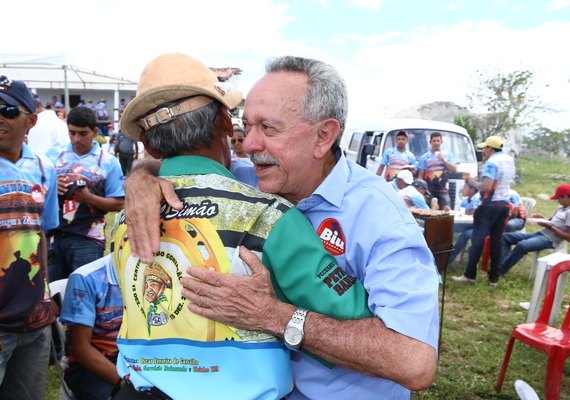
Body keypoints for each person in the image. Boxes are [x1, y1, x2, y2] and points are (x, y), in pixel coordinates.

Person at [125, 55, 439, 399]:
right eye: (246, 126)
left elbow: (414, 362)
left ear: (324, 135)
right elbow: (180, 156)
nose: (249, 144)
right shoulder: (246, 179)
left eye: (269, 128)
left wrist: (275, 316)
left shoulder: (380, 218)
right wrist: (142, 177)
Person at [0, 76, 59, 399]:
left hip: (34, 321)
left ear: (31, 120)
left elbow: (43, 236)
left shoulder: (43, 167)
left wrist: (45, 300)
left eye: (8, 110)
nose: (0, 117)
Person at [45, 106, 124, 282]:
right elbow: (35, 190)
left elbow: (120, 203)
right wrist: (51, 186)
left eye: (83, 133)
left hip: (87, 240)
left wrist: (89, 198)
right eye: (72, 133)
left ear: (95, 132)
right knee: (51, 296)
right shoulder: (52, 156)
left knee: (83, 295)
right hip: (52, 237)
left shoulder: (108, 162)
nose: (76, 139)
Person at [453, 136, 515, 286]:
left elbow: (486, 186)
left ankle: (470, 276)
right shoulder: (508, 159)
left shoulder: (492, 163)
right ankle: (494, 278)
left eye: (484, 149)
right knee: (496, 241)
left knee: (477, 241)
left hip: (489, 205)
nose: (483, 152)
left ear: (491, 149)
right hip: (504, 205)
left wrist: (473, 182)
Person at [59, 254, 123, 400]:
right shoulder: (86, 278)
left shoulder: (157, 272)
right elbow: (80, 349)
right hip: (93, 366)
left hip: (137, 362)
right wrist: (125, 382)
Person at [499, 184, 570, 276]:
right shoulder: (560, 208)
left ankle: (499, 271)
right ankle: (502, 266)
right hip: (541, 234)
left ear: (566, 197)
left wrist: (550, 226)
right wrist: (542, 218)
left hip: (550, 240)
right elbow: (552, 221)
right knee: (505, 237)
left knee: (522, 245)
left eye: (559, 198)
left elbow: (568, 237)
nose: (558, 200)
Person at [417, 132, 458, 209]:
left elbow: (454, 169)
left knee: (446, 211)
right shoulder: (424, 157)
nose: (436, 143)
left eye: (438, 141)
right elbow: (420, 176)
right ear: (430, 142)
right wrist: (421, 191)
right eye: (434, 141)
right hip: (429, 190)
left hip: (443, 190)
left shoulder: (448, 155)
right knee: (431, 212)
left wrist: (444, 160)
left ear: (441, 142)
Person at [447, 181, 480, 265]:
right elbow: (461, 213)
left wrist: (462, 213)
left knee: (464, 235)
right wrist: (450, 211)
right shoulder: (465, 200)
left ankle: (448, 260)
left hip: (477, 227)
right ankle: (445, 251)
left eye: (465, 187)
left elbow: (475, 212)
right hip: (468, 224)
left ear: (472, 190)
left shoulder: (477, 198)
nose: (462, 190)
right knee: (449, 227)